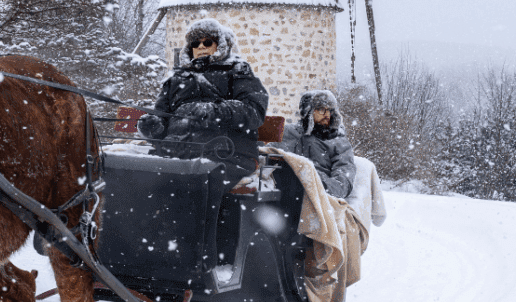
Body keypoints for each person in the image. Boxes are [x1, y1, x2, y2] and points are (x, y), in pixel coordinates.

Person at [137, 18, 268, 180]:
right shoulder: (177, 78)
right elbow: (162, 116)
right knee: (137, 174)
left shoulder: (238, 71)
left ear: (219, 44)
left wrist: (213, 111)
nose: (200, 46)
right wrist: (154, 126)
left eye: (207, 42)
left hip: (227, 153)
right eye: (195, 43)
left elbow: (254, 111)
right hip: (178, 152)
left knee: (197, 178)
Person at [281, 89, 356, 199]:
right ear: (308, 112)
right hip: (285, 191)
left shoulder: (338, 141)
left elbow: (343, 179)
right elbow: (269, 155)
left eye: (329, 110)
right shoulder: (288, 132)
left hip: (320, 195)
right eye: (321, 109)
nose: (327, 114)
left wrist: (322, 187)